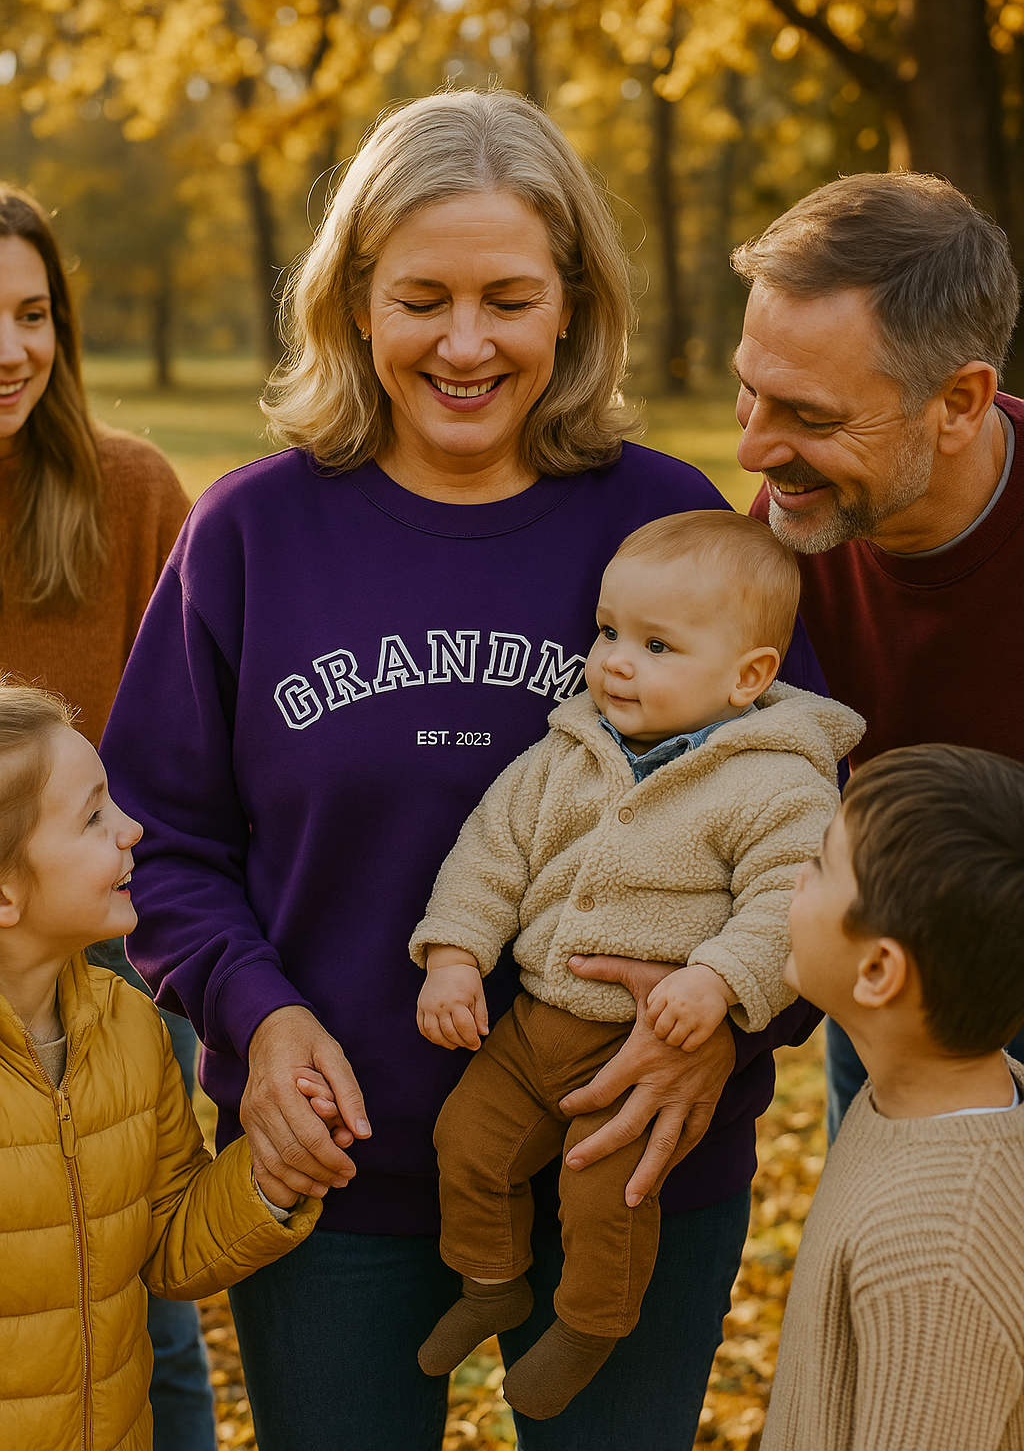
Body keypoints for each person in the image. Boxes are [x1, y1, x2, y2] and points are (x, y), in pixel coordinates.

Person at [101, 88, 827, 1451]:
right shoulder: (252, 533)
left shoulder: (672, 524)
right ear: (356, 304)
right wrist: (253, 1019)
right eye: (423, 297)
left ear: (571, 304)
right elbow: (162, 839)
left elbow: (808, 826)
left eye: (508, 296)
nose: (467, 342)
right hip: (337, 1174)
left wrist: (733, 1024)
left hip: (639, 1154)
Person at [398, 510, 862, 1419]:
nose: (614, 659)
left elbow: (788, 900)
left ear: (750, 677)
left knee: (607, 1193)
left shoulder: (776, 783)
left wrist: (722, 980)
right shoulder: (567, 754)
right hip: (532, 1027)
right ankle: (492, 1280)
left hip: (638, 1052)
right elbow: (491, 854)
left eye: (656, 645)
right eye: (608, 631)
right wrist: (454, 956)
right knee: (467, 1143)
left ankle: (591, 1322)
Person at [732, 171, 1024, 1134]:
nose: (756, 451)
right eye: (749, 392)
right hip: (880, 976)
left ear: (959, 403)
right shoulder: (784, 540)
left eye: (810, 417)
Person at [0, 186, 217, 1448]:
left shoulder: (128, 494)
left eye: (34, 314)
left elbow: (202, 734)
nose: (14, 349)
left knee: (141, 1314)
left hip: (118, 967)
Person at [0, 683, 320, 1451]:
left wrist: (268, 1181)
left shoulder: (131, 1027)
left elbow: (169, 1240)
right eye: (93, 818)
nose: (133, 830)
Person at [761, 744, 1024, 1451]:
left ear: (878, 969)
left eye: (819, 864)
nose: (794, 878)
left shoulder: (939, 1260)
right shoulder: (917, 1105)